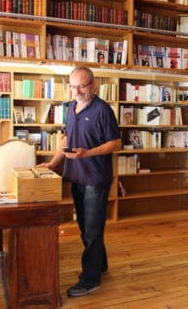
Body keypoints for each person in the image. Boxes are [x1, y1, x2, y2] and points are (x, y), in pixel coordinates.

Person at [38, 66, 121, 297]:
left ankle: (90, 279)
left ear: (93, 85)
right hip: (75, 176)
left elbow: (115, 144)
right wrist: (53, 163)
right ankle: (100, 265)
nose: (76, 90)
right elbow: (66, 138)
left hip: (95, 178)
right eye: (72, 86)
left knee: (92, 230)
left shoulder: (103, 110)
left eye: (81, 86)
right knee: (86, 227)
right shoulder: (71, 107)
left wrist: (88, 153)